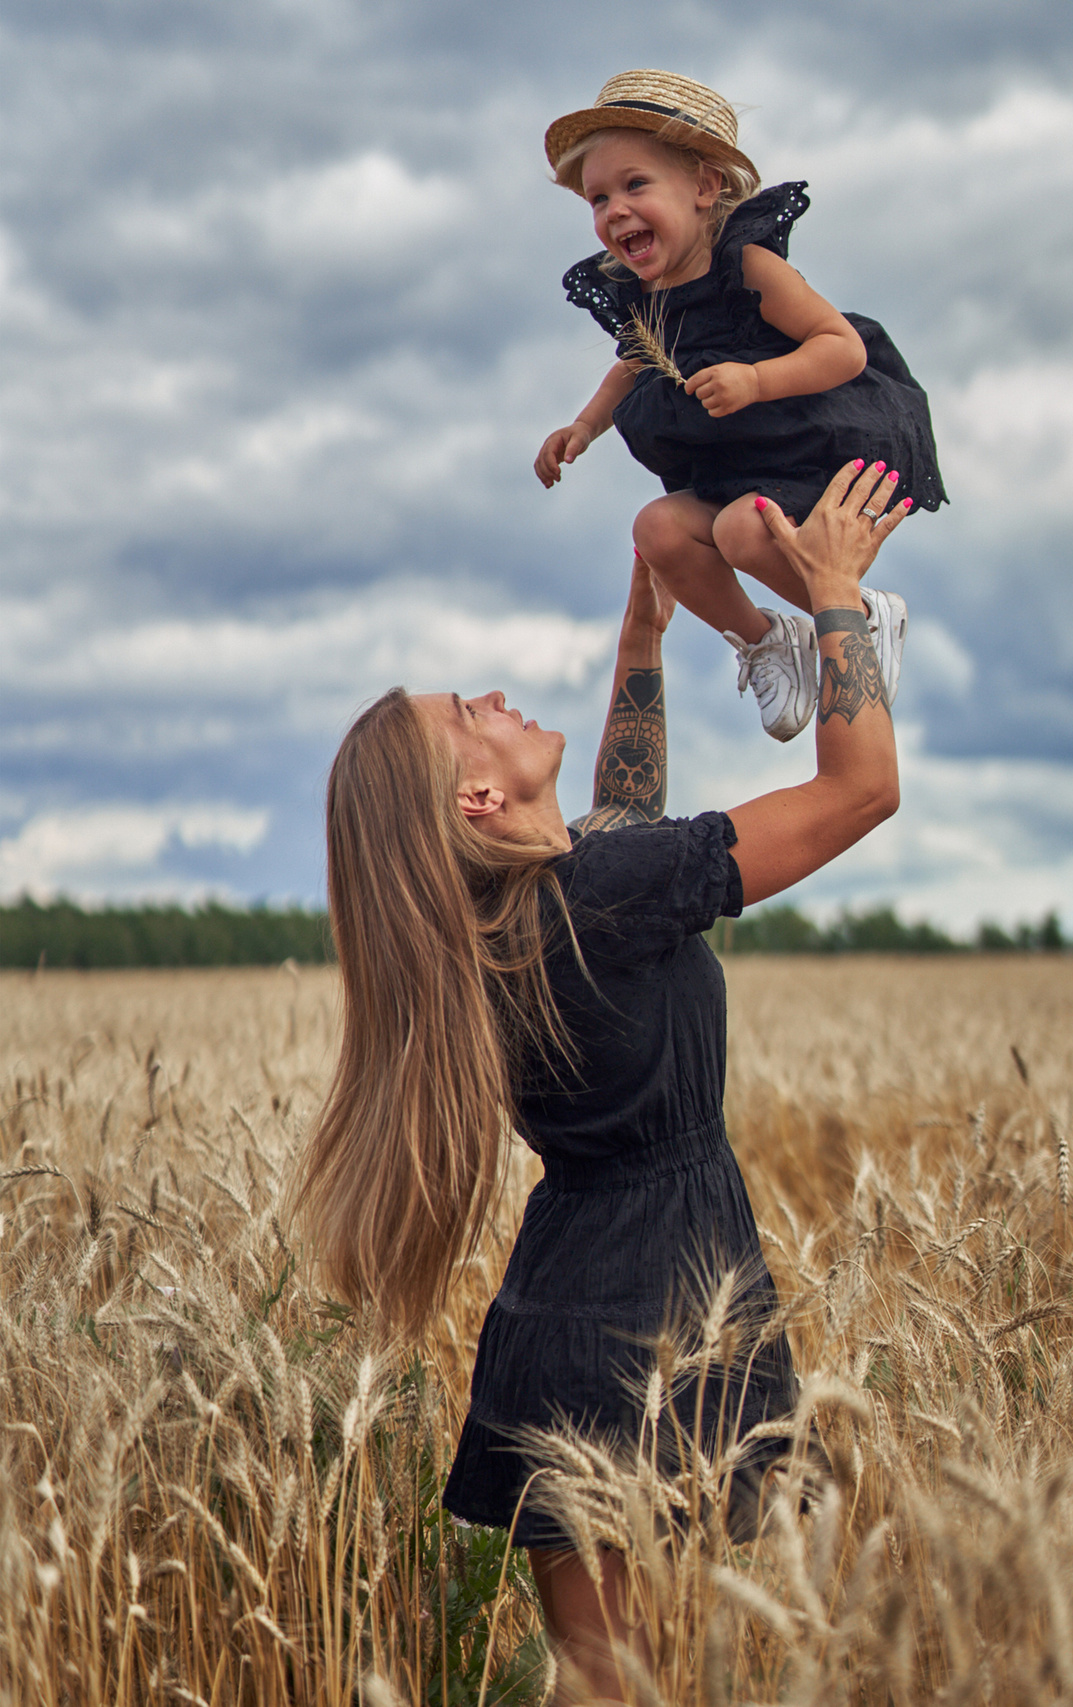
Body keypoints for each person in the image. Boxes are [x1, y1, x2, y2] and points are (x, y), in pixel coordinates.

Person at [295, 462, 908, 1700]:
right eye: (469, 711)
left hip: (571, 1312)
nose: (495, 695)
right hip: (658, 1302)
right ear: (478, 796)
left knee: (604, 1683)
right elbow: (861, 790)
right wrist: (838, 595)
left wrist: (645, 634)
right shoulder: (592, 901)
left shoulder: (503, 927)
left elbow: (620, 822)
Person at [534, 69, 946, 742]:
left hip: (808, 451)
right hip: (734, 470)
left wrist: (756, 381)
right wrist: (583, 426)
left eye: (635, 185)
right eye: (598, 198)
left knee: (741, 532)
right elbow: (632, 367)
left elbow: (842, 348)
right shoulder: (643, 294)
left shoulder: (746, 266)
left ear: (703, 186)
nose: (614, 211)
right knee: (656, 530)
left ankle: (862, 614)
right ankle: (769, 643)